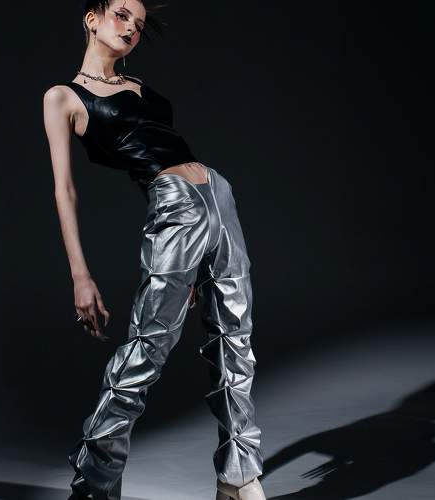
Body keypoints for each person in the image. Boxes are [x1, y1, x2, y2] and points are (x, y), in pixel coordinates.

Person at [42, 1, 266, 499]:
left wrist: (190, 259)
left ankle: (239, 479)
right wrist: (81, 275)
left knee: (236, 340)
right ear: (92, 17)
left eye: (139, 25)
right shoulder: (64, 97)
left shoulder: (138, 85)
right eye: (122, 14)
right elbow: (64, 190)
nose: (131, 28)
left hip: (218, 196)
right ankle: (95, 484)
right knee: (148, 345)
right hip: (174, 204)